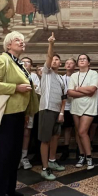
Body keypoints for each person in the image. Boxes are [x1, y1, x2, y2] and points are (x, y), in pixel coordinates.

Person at [0, 31, 38, 196]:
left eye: (22, 40)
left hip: (18, 113)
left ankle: (10, 188)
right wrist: (16, 88)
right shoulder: (1, 60)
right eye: (17, 40)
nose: (21, 42)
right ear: (8, 45)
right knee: (3, 156)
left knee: (15, 154)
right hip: (6, 115)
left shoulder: (19, 64)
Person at [37, 33, 67, 181]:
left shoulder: (61, 79)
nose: (55, 61)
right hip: (47, 109)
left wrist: (62, 112)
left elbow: (64, 98)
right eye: (53, 59)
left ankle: (52, 161)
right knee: (45, 139)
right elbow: (49, 57)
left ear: (60, 64)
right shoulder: (46, 72)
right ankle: (44, 168)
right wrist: (51, 44)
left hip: (57, 111)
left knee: (55, 137)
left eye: (57, 60)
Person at [68, 54, 98, 170]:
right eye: (80, 59)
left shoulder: (93, 73)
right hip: (76, 107)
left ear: (88, 63)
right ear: (78, 63)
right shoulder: (74, 75)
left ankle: (89, 158)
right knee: (79, 133)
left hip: (89, 107)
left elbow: (93, 89)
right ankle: (82, 156)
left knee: (83, 131)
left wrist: (78, 89)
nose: (82, 60)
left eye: (84, 59)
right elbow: (70, 92)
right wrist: (85, 92)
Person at [20, 57, 40, 170]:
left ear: (31, 65)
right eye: (23, 61)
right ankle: (16, 157)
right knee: (17, 133)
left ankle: (24, 156)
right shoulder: (16, 73)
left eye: (28, 62)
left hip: (29, 107)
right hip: (16, 108)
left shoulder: (34, 76)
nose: (25, 63)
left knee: (27, 133)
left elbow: (36, 90)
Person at [59, 58, 77, 161]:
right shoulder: (61, 78)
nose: (69, 64)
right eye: (67, 63)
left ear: (75, 65)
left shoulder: (77, 77)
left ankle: (80, 150)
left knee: (78, 129)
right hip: (65, 106)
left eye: (71, 63)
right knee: (67, 128)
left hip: (76, 105)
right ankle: (65, 149)